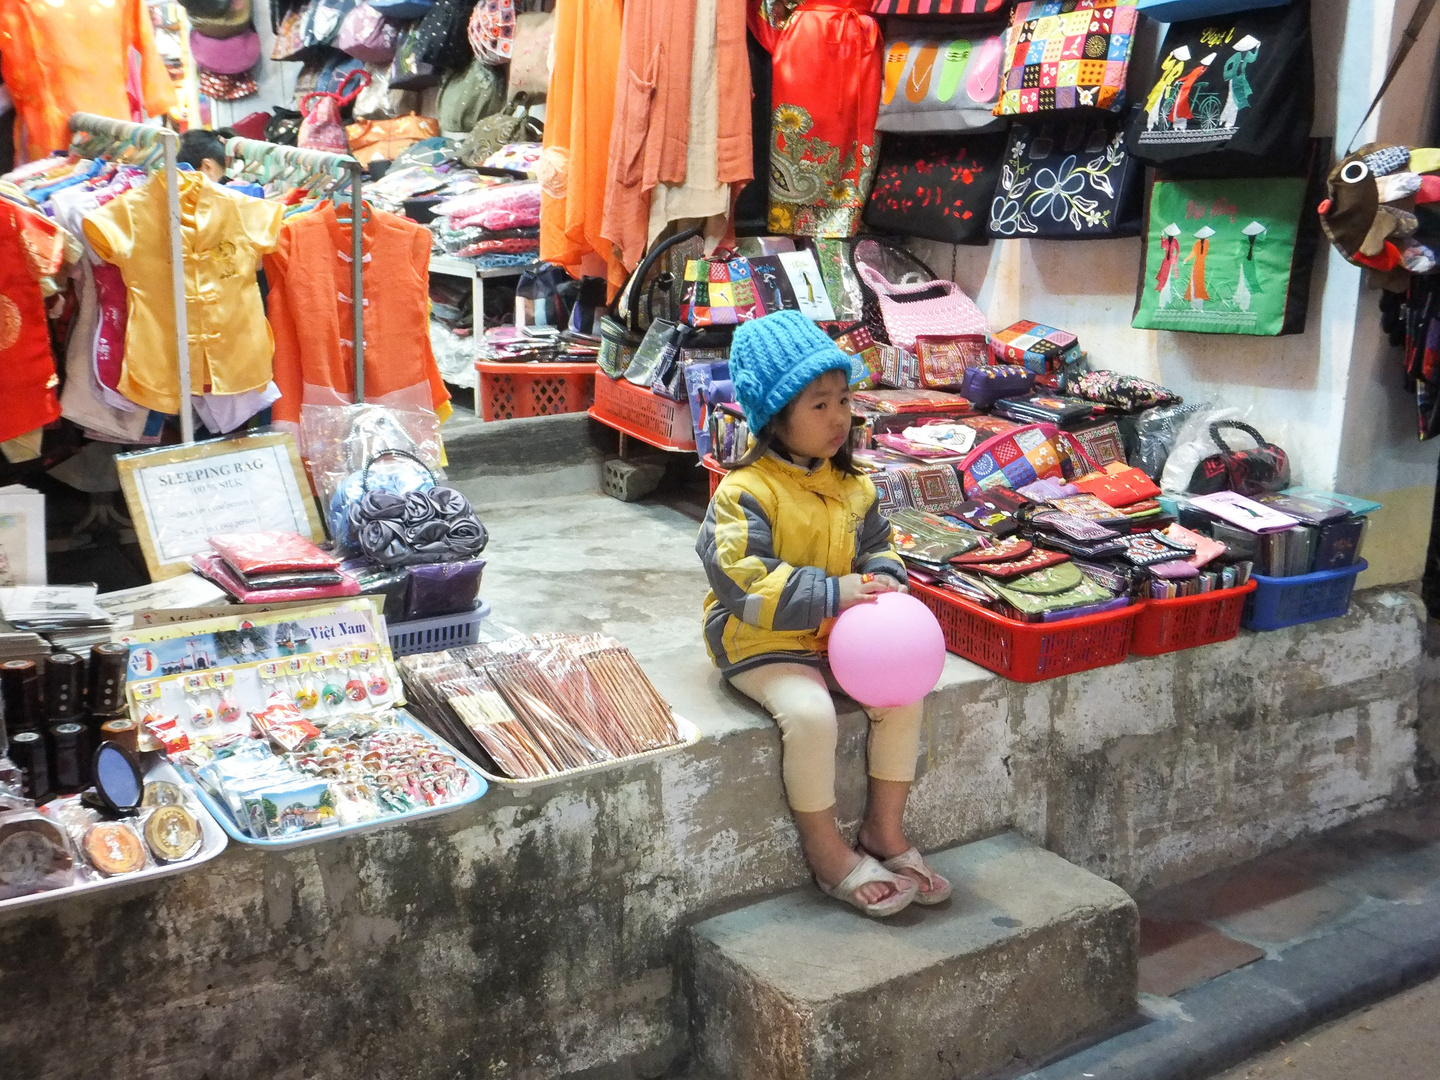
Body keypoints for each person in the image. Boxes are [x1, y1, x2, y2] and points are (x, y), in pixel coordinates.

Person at [696, 310, 951, 918]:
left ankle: (884, 832)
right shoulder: (743, 494)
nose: (840, 417)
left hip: (836, 637)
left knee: (902, 696)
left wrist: (885, 582)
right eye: (818, 405)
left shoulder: (855, 486)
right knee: (811, 715)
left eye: (843, 399)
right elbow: (745, 583)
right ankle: (827, 851)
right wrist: (835, 593)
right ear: (775, 416)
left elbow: (880, 549)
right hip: (758, 640)